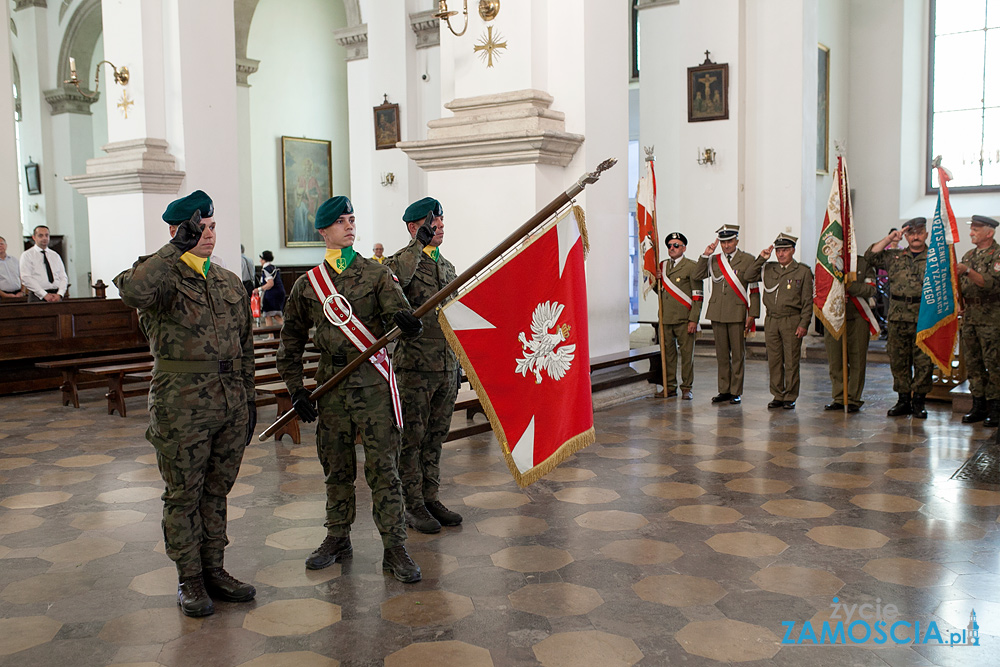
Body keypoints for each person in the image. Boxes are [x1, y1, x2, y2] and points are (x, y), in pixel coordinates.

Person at [113, 190, 257, 618]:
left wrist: (249, 399)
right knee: (183, 495)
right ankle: (189, 578)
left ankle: (215, 569)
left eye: (212, 227)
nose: (209, 234)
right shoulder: (158, 277)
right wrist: (174, 247)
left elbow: (244, 346)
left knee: (217, 491)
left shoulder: (228, 281)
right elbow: (132, 292)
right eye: (200, 227)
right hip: (181, 405)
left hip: (229, 402)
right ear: (178, 230)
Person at [276, 195, 425, 583]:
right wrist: (296, 389)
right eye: (341, 221)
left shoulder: (376, 275)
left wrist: (408, 324)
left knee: (383, 468)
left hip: (371, 383)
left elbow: (399, 312)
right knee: (336, 467)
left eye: (352, 219)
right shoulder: (308, 286)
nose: (349, 225)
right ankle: (337, 537)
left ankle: (395, 547)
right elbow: (289, 343)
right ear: (323, 231)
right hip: (331, 385)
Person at [385, 197, 463, 534]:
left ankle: (430, 497)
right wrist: (416, 245)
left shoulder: (447, 267)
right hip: (415, 368)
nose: (441, 226)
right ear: (414, 227)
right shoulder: (400, 262)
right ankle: (412, 503)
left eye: (442, 221)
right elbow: (395, 281)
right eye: (434, 222)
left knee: (435, 438)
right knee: (412, 439)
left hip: (445, 366)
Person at [865, 217, 932, 419]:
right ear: (906, 236)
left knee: (923, 361)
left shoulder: (935, 258)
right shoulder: (894, 256)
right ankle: (903, 400)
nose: (916, 237)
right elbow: (870, 256)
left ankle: (919, 401)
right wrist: (889, 238)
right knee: (898, 359)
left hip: (924, 315)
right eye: (911, 233)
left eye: (920, 233)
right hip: (898, 315)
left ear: (926, 235)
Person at [694, 224, 761, 405]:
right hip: (717, 312)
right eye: (723, 242)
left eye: (729, 241)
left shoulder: (747, 259)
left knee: (738, 355)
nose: (726, 246)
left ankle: (735, 391)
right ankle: (723, 390)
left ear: (737, 240)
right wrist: (705, 254)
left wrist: (753, 314)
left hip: (738, 312)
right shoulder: (714, 260)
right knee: (722, 354)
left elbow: (754, 289)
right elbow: (697, 275)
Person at [749, 234, 813, 410]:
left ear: (793, 250)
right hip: (772, 320)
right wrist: (762, 258)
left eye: (785, 250)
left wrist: (804, 324)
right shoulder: (769, 268)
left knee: (791, 360)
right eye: (778, 250)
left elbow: (808, 302)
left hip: (791, 319)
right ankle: (777, 394)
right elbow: (748, 275)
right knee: (774, 359)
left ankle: (790, 396)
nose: (781, 254)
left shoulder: (803, 271)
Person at [956, 215, 1000, 426]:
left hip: (991, 319)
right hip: (970, 317)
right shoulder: (968, 255)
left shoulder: (998, 255)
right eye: (971, 229)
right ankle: (978, 405)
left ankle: (996, 407)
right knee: (973, 363)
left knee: (994, 364)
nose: (971, 233)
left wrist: (967, 271)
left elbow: (989, 283)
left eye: (976, 229)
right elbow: (961, 286)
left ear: (989, 233)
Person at [823, 255, 877, 413]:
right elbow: (820, 287)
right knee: (835, 359)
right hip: (834, 316)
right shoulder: (826, 261)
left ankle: (853, 398)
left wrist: (849, 287)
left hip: (858, 317)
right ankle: (839, 397)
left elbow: (871, 288)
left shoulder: (863, 262)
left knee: (857, 359)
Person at [656, 232, 703, 400]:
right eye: (669, 245)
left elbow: (697, 295)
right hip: (666, 318)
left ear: (684, 248)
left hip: (684, 319)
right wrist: (656, 280)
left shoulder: (692, 266)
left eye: (676, 245)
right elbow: (660, 292)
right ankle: (669, 387)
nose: (672, 248)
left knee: (686, 356)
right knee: (667, 355)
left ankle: (686, 388)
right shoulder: (662, 266)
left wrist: (693, 319)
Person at [20, 225, 68, 302]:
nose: (44, 238)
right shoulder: (27, 255)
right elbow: (26, 278)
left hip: (56, 296)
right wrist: (44, 294)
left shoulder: (55, 255)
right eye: (40, 235)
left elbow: (63, 277)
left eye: (46, 235)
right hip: (37, 297)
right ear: (34, 237)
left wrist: (60, 294)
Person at [258, 250, 286, 326]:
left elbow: (270, 283)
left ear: (264, 260)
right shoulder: (273, 268)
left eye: (261, 259)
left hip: (272, 295)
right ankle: (271, 336)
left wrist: (259, 289)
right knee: (269, 315)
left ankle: (288, 331)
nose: (260, 261)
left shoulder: (266, 269)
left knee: (273, 315)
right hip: (279, 293)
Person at [0, 235, 25, 300]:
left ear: (6, 245)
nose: (0, 246)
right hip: (2, 297)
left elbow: (22, 277)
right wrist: (5, 295)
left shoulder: (14, 260)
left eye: (1, 244)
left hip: (19, 294)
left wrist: (22, 292)